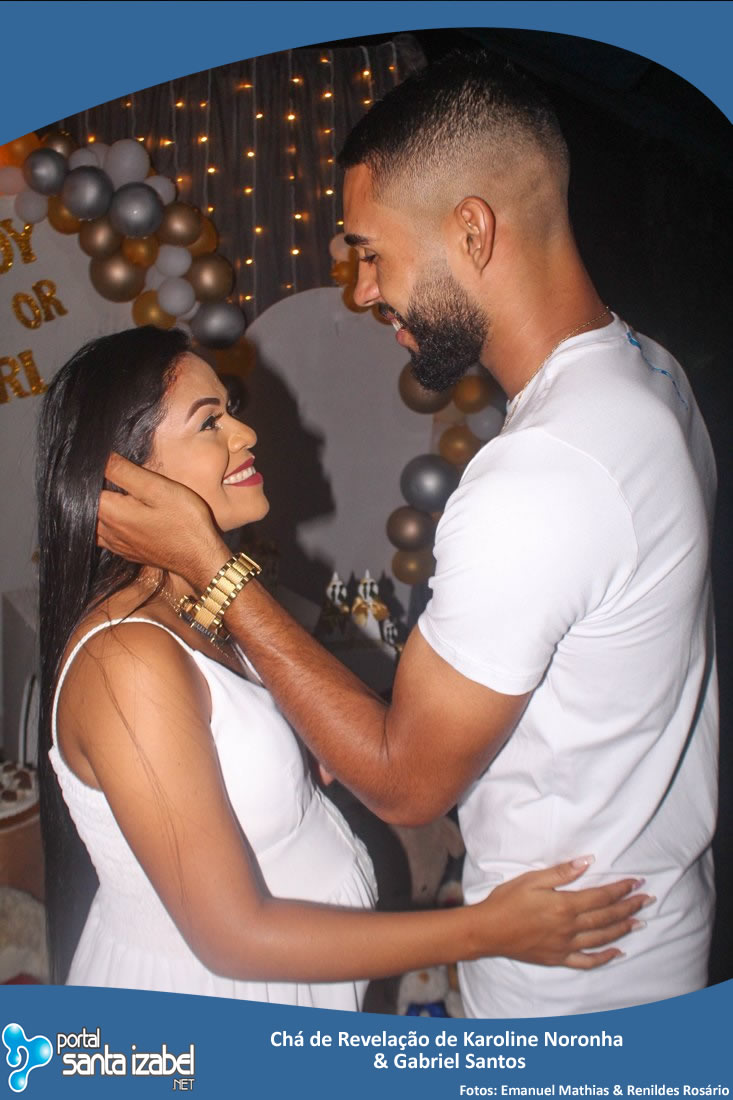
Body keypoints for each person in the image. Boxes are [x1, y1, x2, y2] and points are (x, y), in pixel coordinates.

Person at [97, 51, 717, 1018]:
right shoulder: (649, 369)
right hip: (649, 915)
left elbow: (403, 786)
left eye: (369, 252)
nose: (358, 291)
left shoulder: (544, 474)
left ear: (471, 229)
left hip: (574, 973)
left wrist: (212, 566)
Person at [38, 325, 647, 1006]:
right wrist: (491, 930)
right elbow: (231, 937)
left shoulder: (203, 605)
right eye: (210, 422)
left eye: (230, 411)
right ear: (125, 477)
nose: (246, 434)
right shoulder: (128, 662)